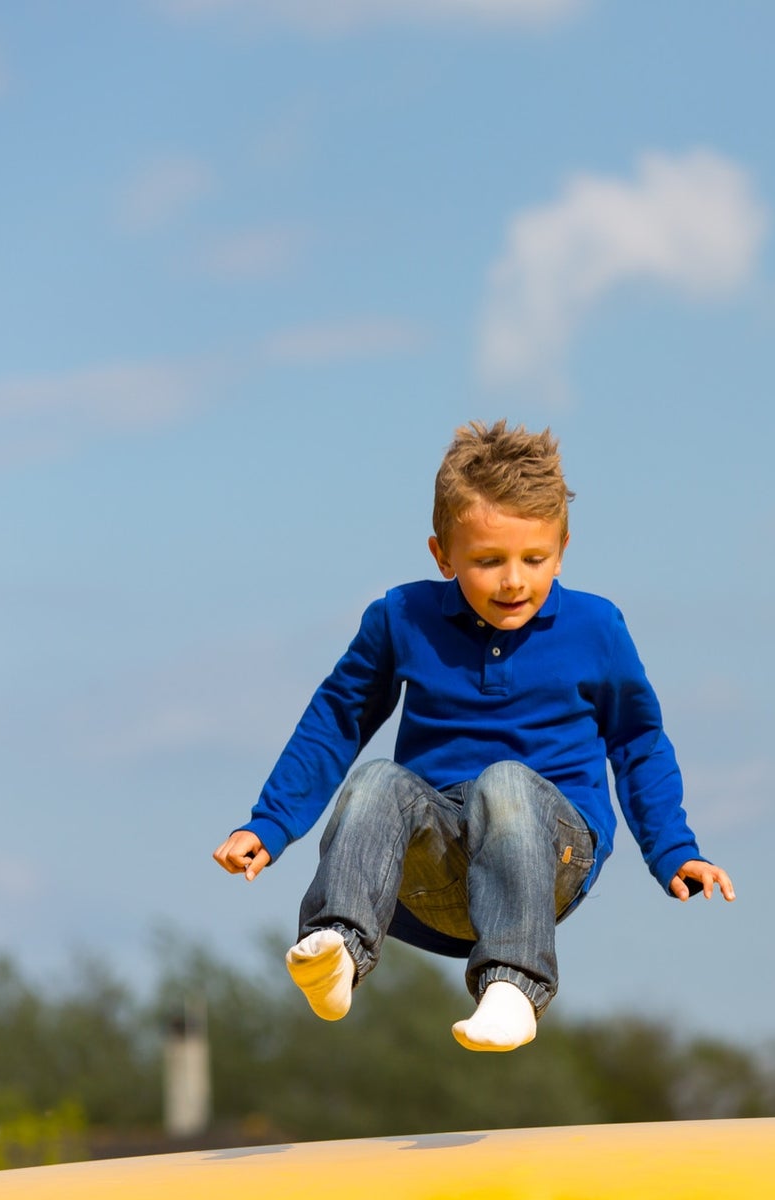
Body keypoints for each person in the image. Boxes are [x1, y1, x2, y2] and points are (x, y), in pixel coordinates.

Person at [212, 421, 734, 1052]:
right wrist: (268, 825)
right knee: (378, 778)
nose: (514, 580)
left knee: (504, 783)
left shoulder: (596, 627)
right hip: (432, 868)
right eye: (489, 561)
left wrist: (674, 848)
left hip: (548, 856)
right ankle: (338, 948)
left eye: (534, 560)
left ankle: (514, 983)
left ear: (563, 548)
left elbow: (638, 742)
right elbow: (336, 720)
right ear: (442, 555)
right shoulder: (401, 618)